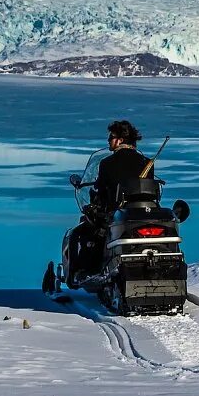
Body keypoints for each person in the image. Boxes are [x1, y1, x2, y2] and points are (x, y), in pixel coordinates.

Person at [63, 120, 152, 288]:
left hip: (114, 215)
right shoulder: (147, 163)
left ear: (120, 140)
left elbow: (101, 191)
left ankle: (82, 273)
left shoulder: (107, 163)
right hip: (143, 215)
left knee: (79, 234)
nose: (108, 141)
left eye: (111, 137)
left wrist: (93, 204)